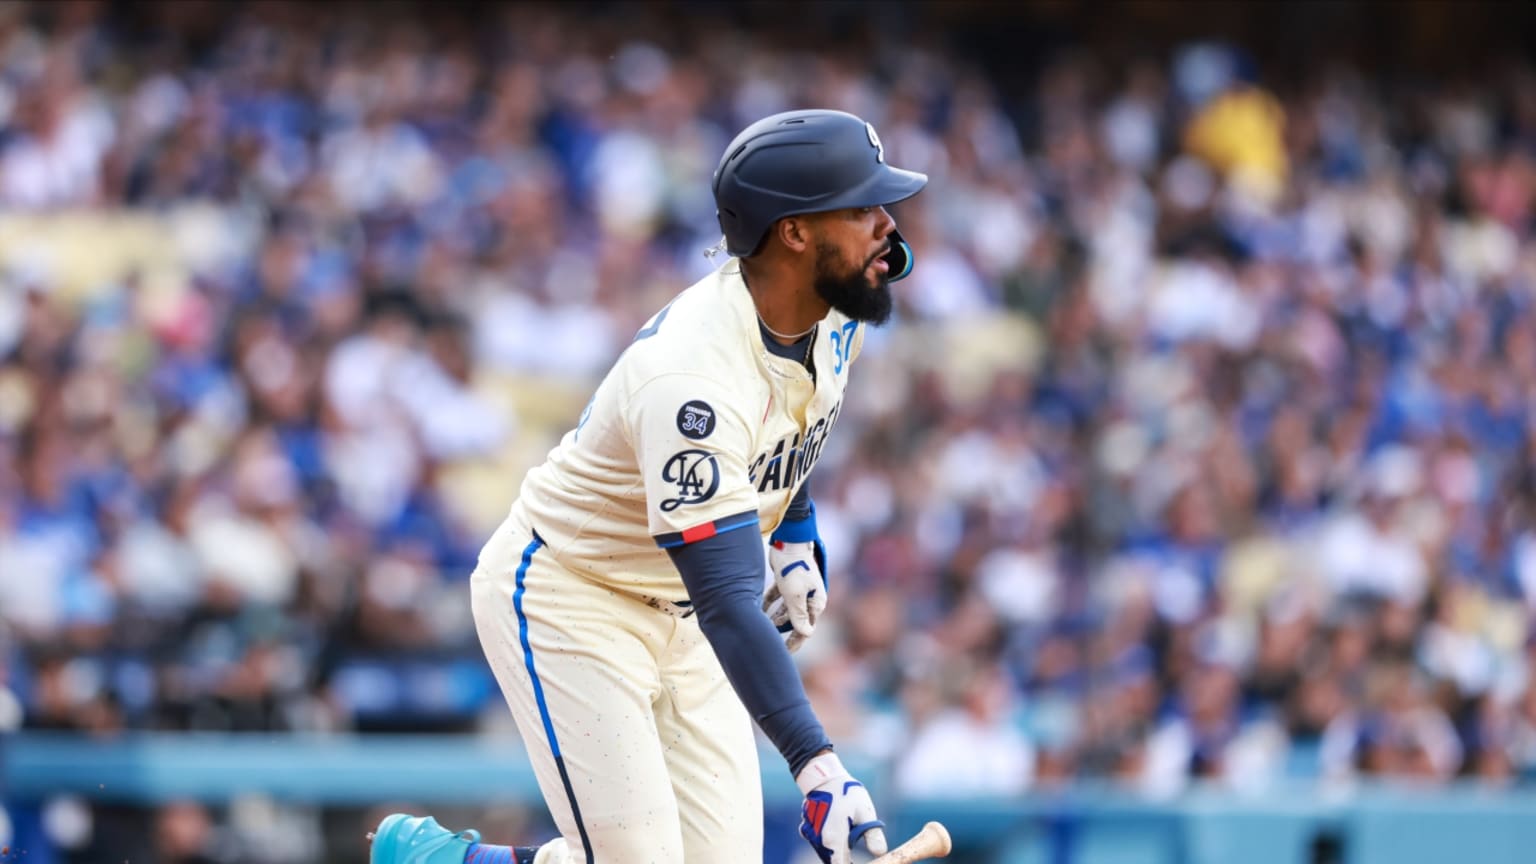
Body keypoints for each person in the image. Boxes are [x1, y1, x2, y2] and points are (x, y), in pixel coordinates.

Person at [369, 108, 927, 864]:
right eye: (863, 208)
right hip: (575, 594)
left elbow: (783, 427)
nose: (887, 225)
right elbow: (731, 599)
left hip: (682, 609)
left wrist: (794, 533)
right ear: (794, 232)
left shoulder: (832, 308)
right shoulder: (690, 376)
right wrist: (818, 763)